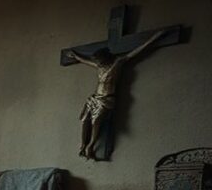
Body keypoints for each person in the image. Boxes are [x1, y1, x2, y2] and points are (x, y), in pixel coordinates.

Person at [64, 29, 166, 160]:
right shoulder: (99, 66)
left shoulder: (117, 64)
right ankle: (83, 144)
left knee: (97, 121)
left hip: (107, 99)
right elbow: (84, 60)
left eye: (99, 60)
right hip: (95, 97)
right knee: (84, 119)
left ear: (105, 58)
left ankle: (91, 145)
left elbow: (137, 52)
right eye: (96, 60)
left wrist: (155, 38)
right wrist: (75, 55)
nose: (97, 62)